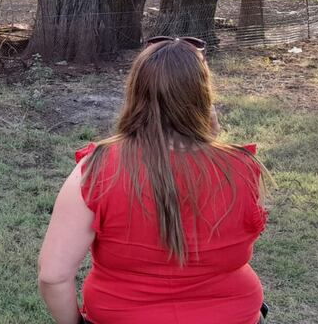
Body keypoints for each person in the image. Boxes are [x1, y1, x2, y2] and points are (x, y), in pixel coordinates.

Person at [38, 36, 270, 324]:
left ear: (136, 93)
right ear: (204, 97)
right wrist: (207, 135)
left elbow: (53, 276)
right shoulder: (244, 168)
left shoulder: (96, 169)